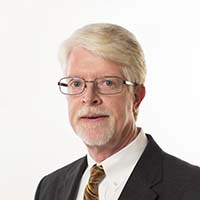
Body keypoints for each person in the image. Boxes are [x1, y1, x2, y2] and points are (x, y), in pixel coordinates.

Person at [35, 23, 200, 200]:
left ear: (136, 97)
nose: (89, 98)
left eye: (107, 83)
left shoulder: (192, 187)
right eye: (76, 83)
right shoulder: (49, 188)